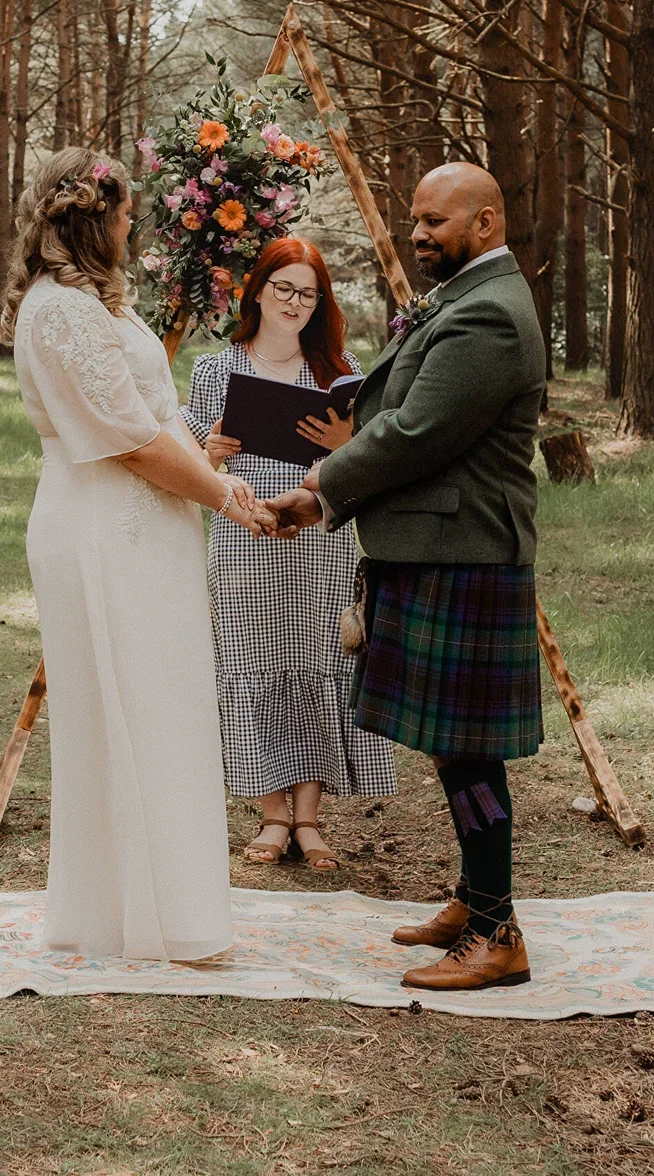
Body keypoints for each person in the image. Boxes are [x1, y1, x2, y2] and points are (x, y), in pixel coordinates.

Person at [264, 163, 548, 992]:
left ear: (487, 222)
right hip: (435, 546)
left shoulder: (490, 315)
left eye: (434, 221)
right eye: (413, 219)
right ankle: (477, 896)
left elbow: (415, 433)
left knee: (468, 751)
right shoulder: (465, 297)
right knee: (454, 748)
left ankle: (497, 934)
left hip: (460, 553)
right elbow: (396, 412)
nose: (418, 234)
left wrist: (318, 491)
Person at [0, 148, 272, 961]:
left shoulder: (95, 307)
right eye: (123, 214)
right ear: (92, 219)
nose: (131, 226)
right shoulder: (63, 314)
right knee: (125, 709)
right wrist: (224, 498)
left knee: (163, 704)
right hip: (102, 529)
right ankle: (134, 915)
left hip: (148, 524)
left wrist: (200, 450)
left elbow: (149, 423)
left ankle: (162, 901)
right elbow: (126, 443)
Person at [183, 238, 398, 871]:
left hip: (318, 537)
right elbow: (191, 455)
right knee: (256, 657)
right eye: (284, 289)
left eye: (309, 293)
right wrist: (209, 455)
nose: (296, 303)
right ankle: (272, 814)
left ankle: (309, 819)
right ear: (258, 291)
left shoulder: (340, 369)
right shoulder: (216, 370)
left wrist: (343, 441)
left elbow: (368, 458)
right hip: (247, 534)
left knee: (318, 657)